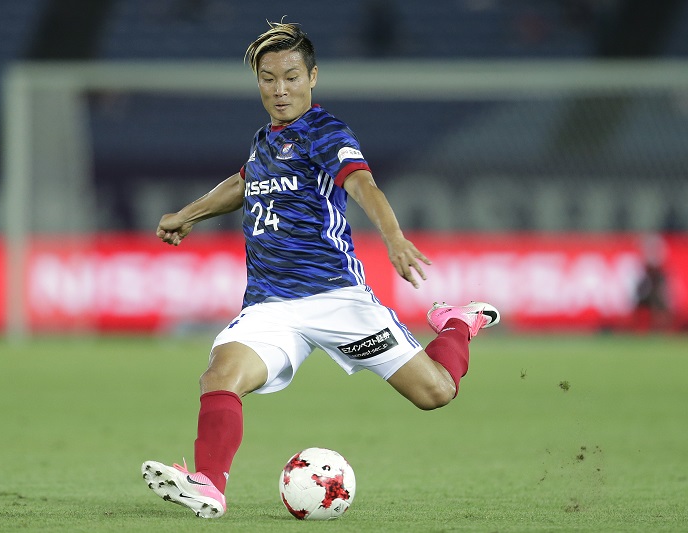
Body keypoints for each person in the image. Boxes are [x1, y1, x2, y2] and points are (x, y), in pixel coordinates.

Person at [142, 21, 500, 518]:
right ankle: (209, 485)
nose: (279, 89)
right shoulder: (265, 141)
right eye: (268, 78)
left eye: (291, 77)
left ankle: (457, 323)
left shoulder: (325, 132)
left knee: (435, 392)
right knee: (220, 376)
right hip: (270, 305)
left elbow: (363, 184)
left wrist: (394, 237)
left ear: (312, 77)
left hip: (335, 297)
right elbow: (242, 182)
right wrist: (187, 215)